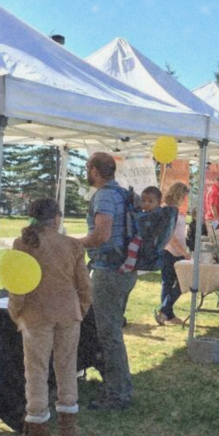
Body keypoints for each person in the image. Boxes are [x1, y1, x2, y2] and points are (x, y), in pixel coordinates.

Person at [8, 198, 92, 436]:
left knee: (36, 372)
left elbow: (17, 286)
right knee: (67, 369)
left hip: (36, 315)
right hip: (68, 313)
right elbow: (85, 285)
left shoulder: (23, 244)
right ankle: (68, 430)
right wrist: (81, 309)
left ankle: (37, 433)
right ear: (56, 218)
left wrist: (16, 312)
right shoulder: (73, 245)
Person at [79, 152, 135, 411]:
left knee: (109, 334)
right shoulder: (122, 193)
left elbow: (102, 234)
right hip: (124, 269)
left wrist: (72, 244)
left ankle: (118, 394)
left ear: (94, 171)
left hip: (109, 270)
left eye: (88, 168)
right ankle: (120, 385)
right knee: (111, 331)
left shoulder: (103, 196)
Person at [156, 182, 189, 326]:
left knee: (180, 282)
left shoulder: (175, 210)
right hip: (169, 251)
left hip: (178, 251)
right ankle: (166, 313)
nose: (185, 199)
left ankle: (165, 311)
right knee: (172, 282)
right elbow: (170, 235)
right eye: (184, 196)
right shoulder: (167, 210)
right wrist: (184, 252)